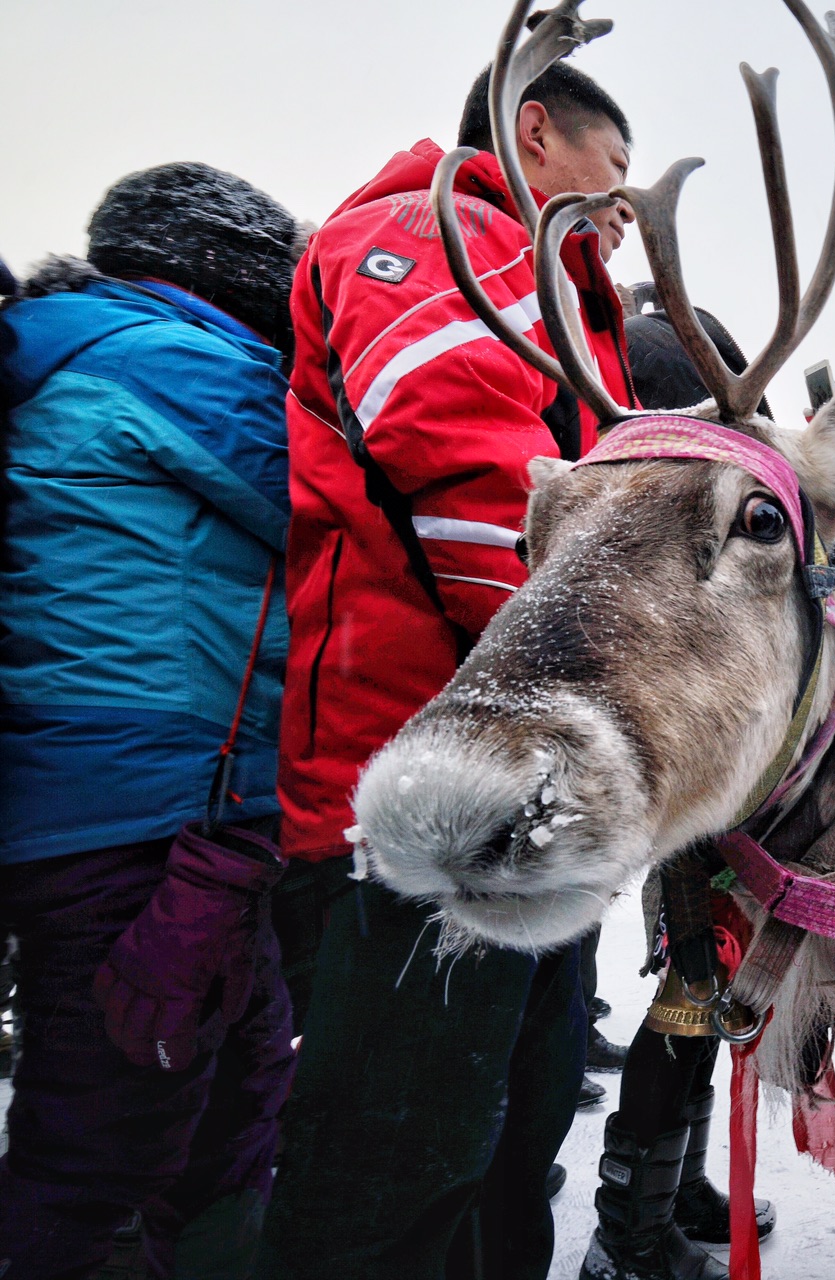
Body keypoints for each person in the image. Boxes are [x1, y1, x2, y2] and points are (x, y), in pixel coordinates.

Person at [260, 59, 636, 1280]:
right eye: (614, 168)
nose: (624, 203)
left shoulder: (560, 294)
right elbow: (480, 492)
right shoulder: (436, 238)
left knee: (505, 1155)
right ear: (536, 133)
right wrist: (625, 702)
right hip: (422, 803)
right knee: (394, 1180)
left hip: (526, 799)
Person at [0, 164, 300, 1278]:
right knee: (103, 1153)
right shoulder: (173, 359)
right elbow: (322, 503)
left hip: (102, 803)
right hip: (148, 812)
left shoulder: (66, 346)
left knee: (221, 1092)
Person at [570, 297, 782, 1280]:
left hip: (708, 766)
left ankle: (673, 1189)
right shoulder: (665, 465)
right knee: (694, 985)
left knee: (701, 984)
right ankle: (630, 1234)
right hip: (692, 764)